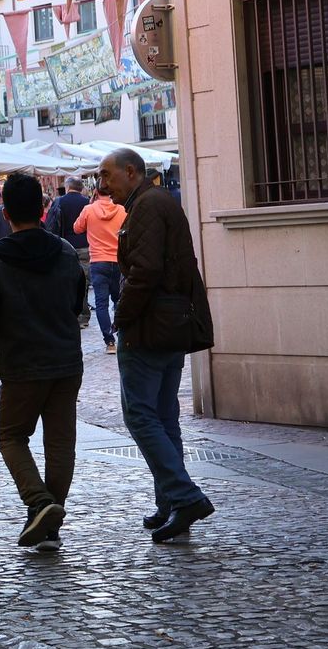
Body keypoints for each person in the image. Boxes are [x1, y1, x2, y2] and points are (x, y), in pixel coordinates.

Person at [99, 148, 216, 544]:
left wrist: (122, 316)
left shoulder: (148, 206)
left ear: (130, 172)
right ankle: (171, 500)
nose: (102, 185)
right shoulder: (156, 202)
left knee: (142, 416)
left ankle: (184, 497)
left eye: (107, 175)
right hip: (169, 325)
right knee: (164, 417)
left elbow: (144, 271)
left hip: (150, 328)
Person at [0, 173, 88, 551]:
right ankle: (49, 525)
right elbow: (77, 305)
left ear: (5, 213)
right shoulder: (66, 252)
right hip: (66, 359)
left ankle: (40, 503)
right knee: (60, 443)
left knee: (11, 435)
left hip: (22, 362)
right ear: (43, 209)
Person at [74, 184, 127, 354]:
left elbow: (77, 228)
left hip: (98, 261)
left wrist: (91, 206)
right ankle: (122, 334)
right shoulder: (121, 209)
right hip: (118, 260)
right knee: (119, 300)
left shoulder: (89, 209)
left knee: (101, 304)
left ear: (96, 192)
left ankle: (109, 341)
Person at [47, 178, 92, 327]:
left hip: (66, 246)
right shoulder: (87, 202)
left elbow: (52, 224)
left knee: (67, 281)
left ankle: (71, 313)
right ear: (80, 188)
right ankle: (84, 315)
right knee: (83, 281)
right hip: (85, 245)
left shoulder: (59, 202)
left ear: (67, 187)